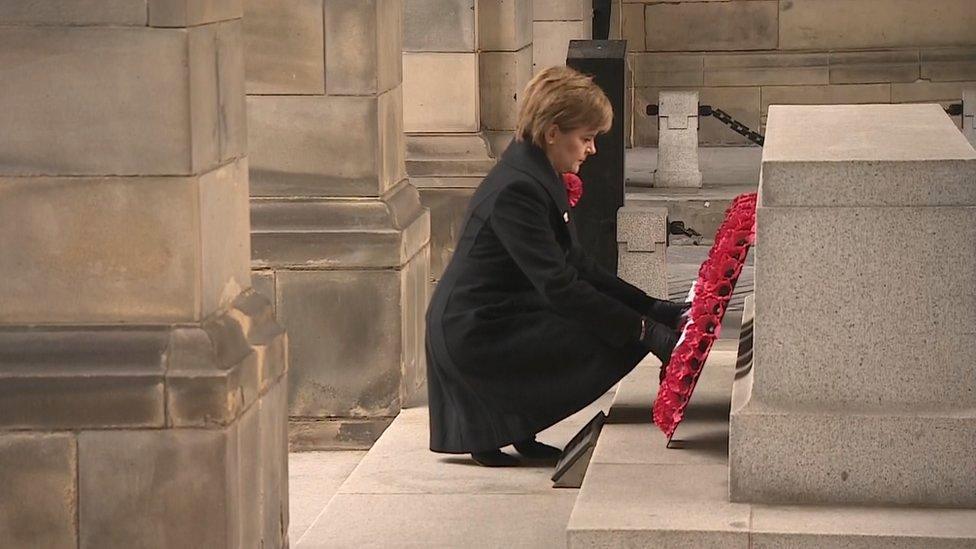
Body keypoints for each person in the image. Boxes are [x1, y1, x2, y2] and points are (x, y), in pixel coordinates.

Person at [425, 66, 686, 467]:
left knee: (617, 325)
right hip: (476, 333)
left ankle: (513, 429)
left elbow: (577, 263)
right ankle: (498, 429)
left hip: (493, 317)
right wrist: (642, 329)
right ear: (552, 133)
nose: (592, 150)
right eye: (586, 138)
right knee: (613, 334)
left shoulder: (533, 172)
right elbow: (560, 285)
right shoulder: (519, 188)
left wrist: (650, 307)